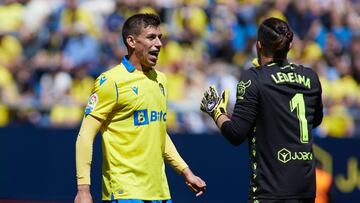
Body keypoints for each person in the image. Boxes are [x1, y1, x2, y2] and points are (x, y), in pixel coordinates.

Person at [75, 13, 206, 203]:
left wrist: (186, 171)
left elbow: (159, 133)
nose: (159, 44)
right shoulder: (111, 81)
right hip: (125, 192)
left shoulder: (161, 80)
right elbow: (85, 135)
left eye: (160, 37)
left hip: (160, 193)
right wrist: (83, 190)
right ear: (131, 41)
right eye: (151, 37)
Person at [200, 17, 323, 203]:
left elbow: (235, 133)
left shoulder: (254, 77)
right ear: (289, 46)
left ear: (259, 45)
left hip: (270, 188)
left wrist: (216, 111)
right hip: (305, 188)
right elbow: (315, 120)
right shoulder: (310, 77)